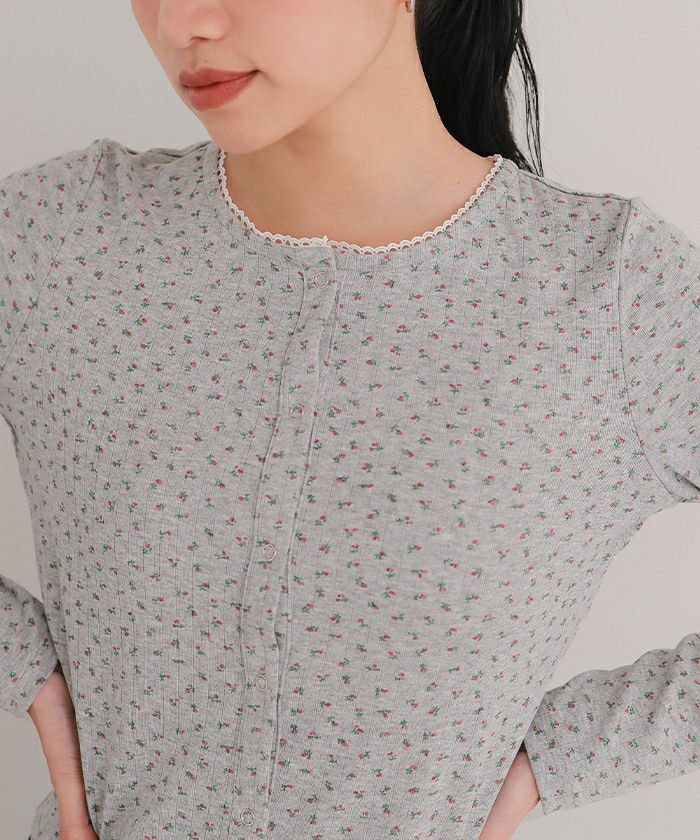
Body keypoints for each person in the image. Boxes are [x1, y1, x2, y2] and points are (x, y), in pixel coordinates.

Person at [1, 1, 697, 838]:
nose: (182, 22)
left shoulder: (611, 296)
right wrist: (24, 668)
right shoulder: (60, 239)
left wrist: (558, 757)